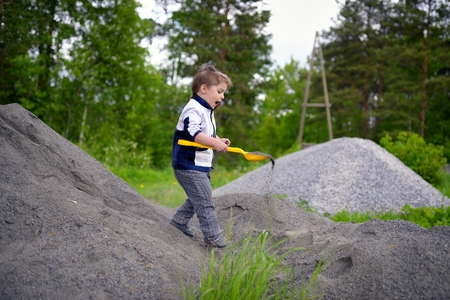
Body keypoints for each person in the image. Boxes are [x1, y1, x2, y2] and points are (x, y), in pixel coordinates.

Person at [169, 63, 232, 248]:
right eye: (219, 91)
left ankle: (179, 222)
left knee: (198, 196)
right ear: (204, 89)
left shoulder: (206, 110)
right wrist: (214, 143)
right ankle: (213, 237)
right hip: (188, 165)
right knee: (204, 200)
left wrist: (218, 139)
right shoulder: (193, 108)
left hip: (199, 165)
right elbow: (193, 133)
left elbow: (205, 134)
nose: (222, 96)